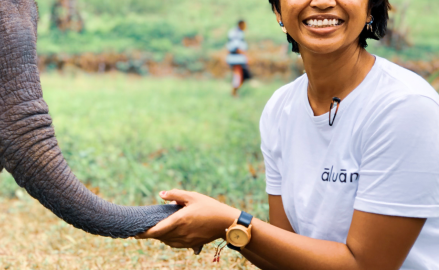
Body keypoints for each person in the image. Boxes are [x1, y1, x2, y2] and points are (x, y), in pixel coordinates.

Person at [137, 0, 439, 269]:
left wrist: (230, 222)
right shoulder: (280, 108)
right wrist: (228, 228)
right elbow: (286, 251)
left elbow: (369, 265)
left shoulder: (404, 106)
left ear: (371, 7)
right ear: (278, 11)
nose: (322, 3)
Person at [226, 20, 253, 97]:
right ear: (240, 24)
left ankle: (235, 91)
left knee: (241, 76)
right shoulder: (236, 33)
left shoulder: (237, 32)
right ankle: (234, 92)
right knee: (238, 75)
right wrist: (246, 56)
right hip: (236, 59)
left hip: (237, 58)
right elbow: (237, 47)